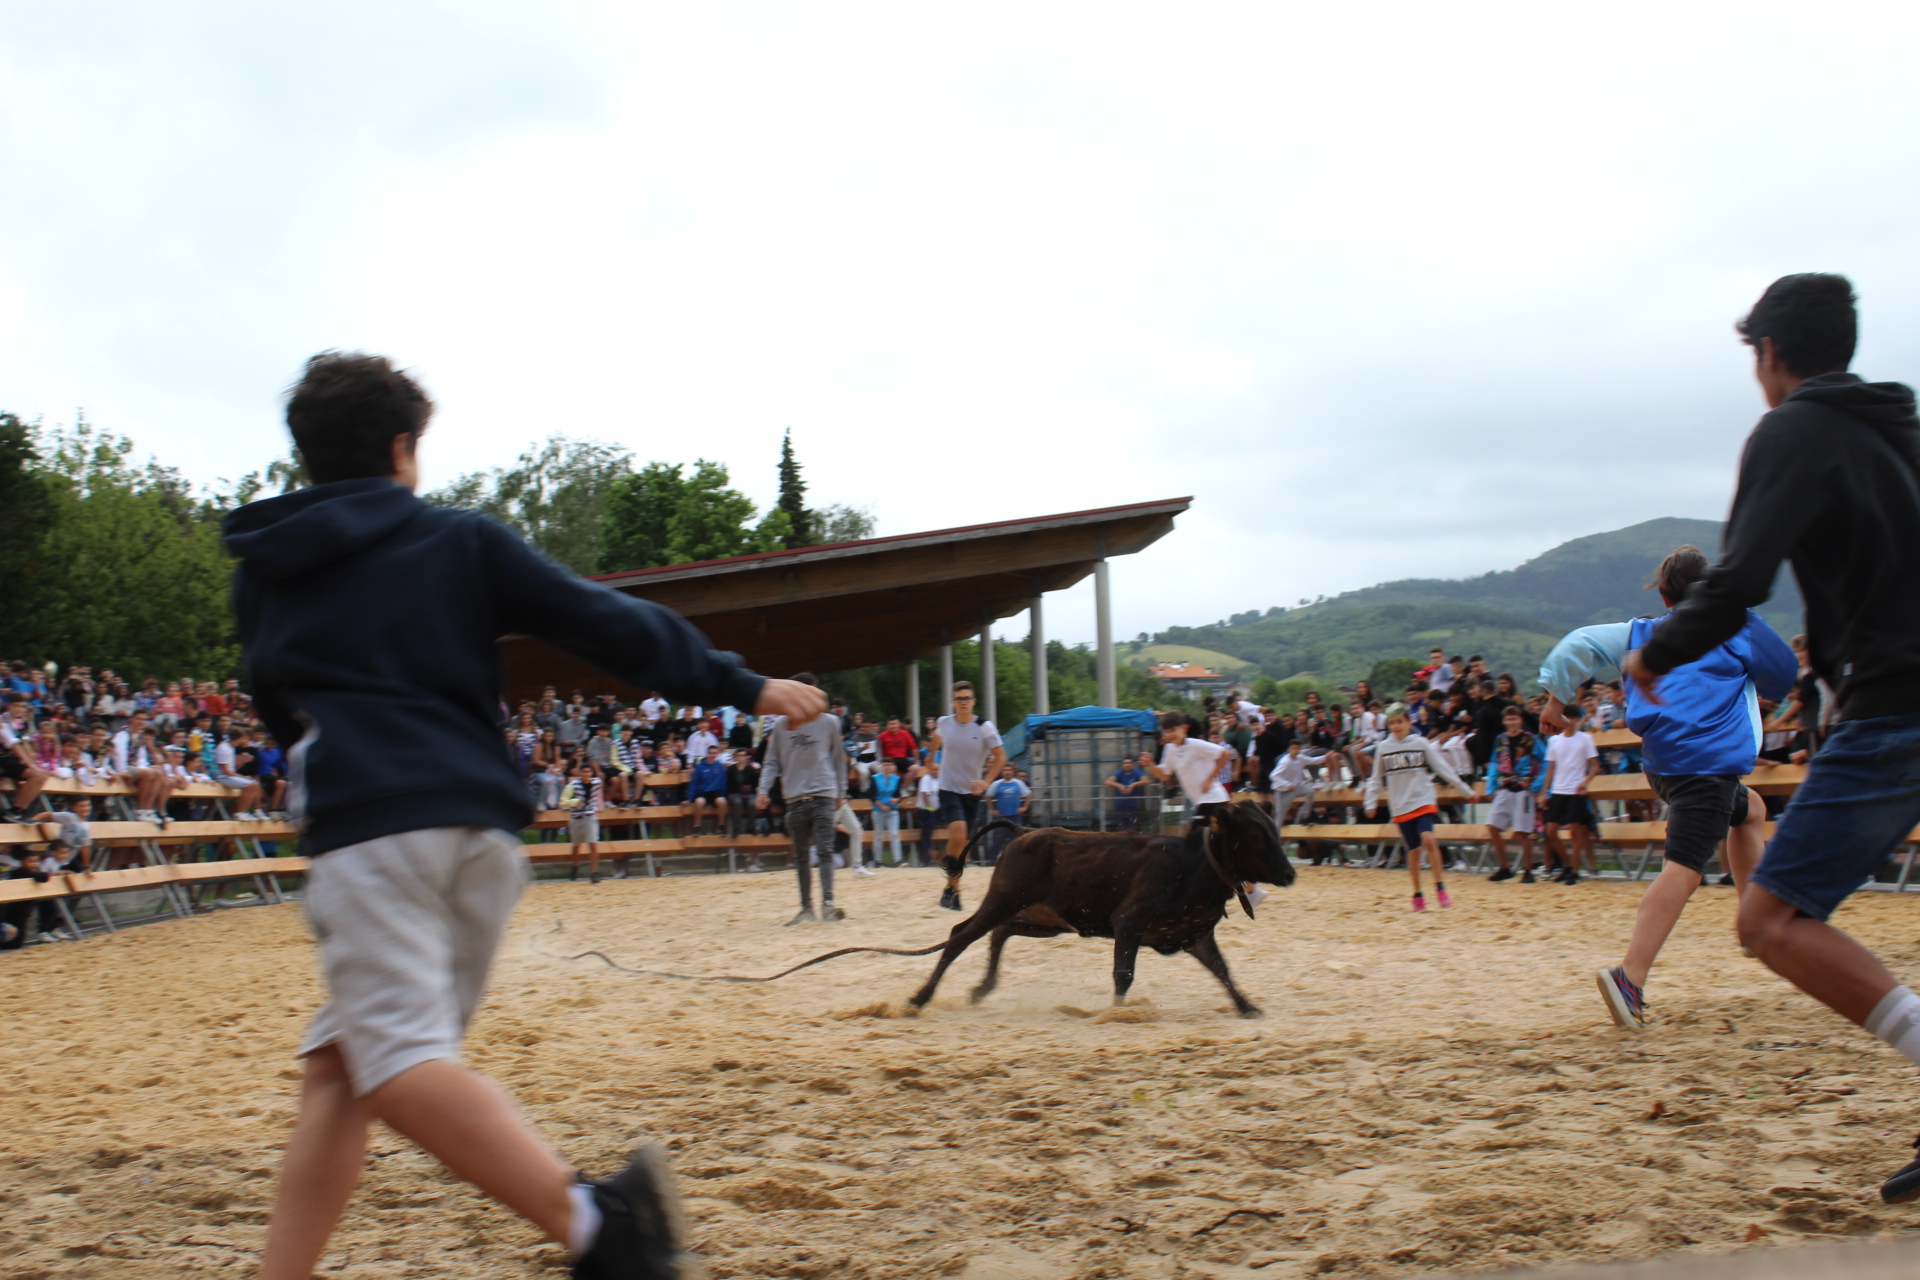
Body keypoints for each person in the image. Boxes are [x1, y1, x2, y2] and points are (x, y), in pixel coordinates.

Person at [230, 351, 821, 1280]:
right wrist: (735, 682)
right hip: (479, 832)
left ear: (308, 454)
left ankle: (600, 1225)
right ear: (402, 448)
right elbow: (596, 617)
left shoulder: (267, 568)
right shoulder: (456, 539)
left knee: (397, 1065)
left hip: (368, 831)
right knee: (342, 1073)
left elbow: (274, 703)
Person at [1611, 275, 1920, 1202]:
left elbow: (1742, 576)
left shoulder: (1794, 428)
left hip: (1897, 704)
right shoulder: (1901, 431)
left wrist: (1656, 652)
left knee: (1771, 921)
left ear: (1770, 353)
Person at [1543, 544, 1796, 1029]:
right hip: (1707, 767)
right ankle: (1630, 976)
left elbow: (1579, 643)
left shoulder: (1641, 631)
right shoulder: (1735, 625)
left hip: (1665, 767)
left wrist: (1556, 700)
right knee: (1684, 869)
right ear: (1711, 587)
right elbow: (1783, 675)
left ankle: (1753, 923)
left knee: (1751, 810)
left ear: (1664, 597)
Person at [756, 673, 847, 924]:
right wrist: (763, 790)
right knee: (801, 855)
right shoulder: (781, 726)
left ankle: (827, 904)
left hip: (823, 793)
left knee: (825, 850)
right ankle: (806, 908)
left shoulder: (830, 722)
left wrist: (841, 791)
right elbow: (771, 762)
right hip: (794, 797)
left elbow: (838, 759)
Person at [1362, 707, 1466, 912]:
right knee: (1414, 850)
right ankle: (1418, 893)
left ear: (1409, 722)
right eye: (1392, 723)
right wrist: (1370, 803)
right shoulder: (1383, 747)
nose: (1396, 726)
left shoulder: (1420, 743)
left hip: (1423, 799)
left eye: (1400, 721)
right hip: (1401, 805)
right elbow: (1376, 778)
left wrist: (1465, 790)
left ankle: (1440, 888)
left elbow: (1442, 767)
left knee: (1428, 839)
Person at [928, 682, 1005, 835]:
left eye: (967, 698)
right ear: (952, 702)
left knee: (964, 840)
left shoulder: (984, 727)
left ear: (973, 701)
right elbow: (937, 737)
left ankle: (955, 853)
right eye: (959, 699)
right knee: (959, 831)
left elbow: (1001, 757)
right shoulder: (944, 722)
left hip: (971, 791)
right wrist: (931, 758)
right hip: (948, 788)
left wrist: (986, 782)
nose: (963, 702)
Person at [1483, 706, 1546, 882]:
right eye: (1509, 719)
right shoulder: (1501, 740)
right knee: (1493, 825)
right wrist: (1490, 787)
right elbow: (1495, 763)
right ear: (1504, 721)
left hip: (1524, 789)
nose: (1512, 723)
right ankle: (1505, 866)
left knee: (1523, 831)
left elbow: (1545, 762)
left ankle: (1528, 870)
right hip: (1505, 787)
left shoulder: (1531, 739)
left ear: (1521, 720)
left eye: (1515, 719)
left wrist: (1537, 785)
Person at [560, 758, 606, 883]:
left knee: (593, 844)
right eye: (584, 772)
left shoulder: (597, 782)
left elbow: (599, 792)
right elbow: (563, 801)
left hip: (590, 816)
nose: (587, 774)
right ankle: (574, 867)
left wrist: (599, 805)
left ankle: (594, 873)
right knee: (576, 845)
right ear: (580, 773)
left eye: (589, 772)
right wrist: (574, 802)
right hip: (576, 817)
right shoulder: (572, 785)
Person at [983, 764, 1030, 862]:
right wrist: (992, 810)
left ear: (1013, 772)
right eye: (1005, 770)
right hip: (1001, 816)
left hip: (1015, 816)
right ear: (1002, 772)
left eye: (1009, 770)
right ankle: (991, 859)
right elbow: (988, 796)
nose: (1007, 772)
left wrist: (1024, 807)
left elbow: (1029, 794)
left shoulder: (1018, 783)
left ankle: (1017, 860)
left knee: (1017, 838)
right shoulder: (997, 784)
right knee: (998, 838)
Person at [687, 744, 728, 835]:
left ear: (717, 754)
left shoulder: (720, 766)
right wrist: (690, 799)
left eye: (715, 753)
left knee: (722, 802)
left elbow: (724, 782)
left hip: (716, 792)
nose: (712, 755)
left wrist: (725, 796)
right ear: (707, 754)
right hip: (702, 792)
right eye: (711, 753)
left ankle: (721, 826)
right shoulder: (699, 767)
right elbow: (694, 783)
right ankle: (697, 827)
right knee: (699, 802)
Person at [870, 759, 906, 865]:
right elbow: (871, 795)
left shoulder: (897, 779)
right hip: (878, 810)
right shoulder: (875, 778)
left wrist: (897, 800)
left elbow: (899, 795)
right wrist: (881, 806)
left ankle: (897, 859)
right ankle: (877, 860)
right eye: (885, 765)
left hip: (892, 809)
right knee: (879, 835)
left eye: (890, 765)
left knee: (894, 834)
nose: (888, 767)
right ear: (882, 766)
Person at [1107, 756, 1146, 830]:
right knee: (1122, 829)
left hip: (1133, 806)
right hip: (1121, 806)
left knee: (1132, 829)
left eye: (1129, 763)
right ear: (1122, 765)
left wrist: (1133, 785)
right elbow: (1107, 782)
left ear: (1133, 764)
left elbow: (1147, 781)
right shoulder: (1120, 773)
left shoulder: (1137, 772)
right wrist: (1120, 786)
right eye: (1125, 763)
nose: (1127, 765)